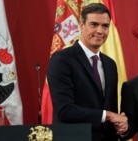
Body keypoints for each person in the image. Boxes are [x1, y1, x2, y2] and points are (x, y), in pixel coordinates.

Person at [47, 3, 127, 141]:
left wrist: (120, 124)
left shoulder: (110, 65)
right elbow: (65, 111)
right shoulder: (62, 60)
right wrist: (108, 115)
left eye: (105, 26)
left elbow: (111, 109)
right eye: (94, 24)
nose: (100, 31)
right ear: (81, 25)